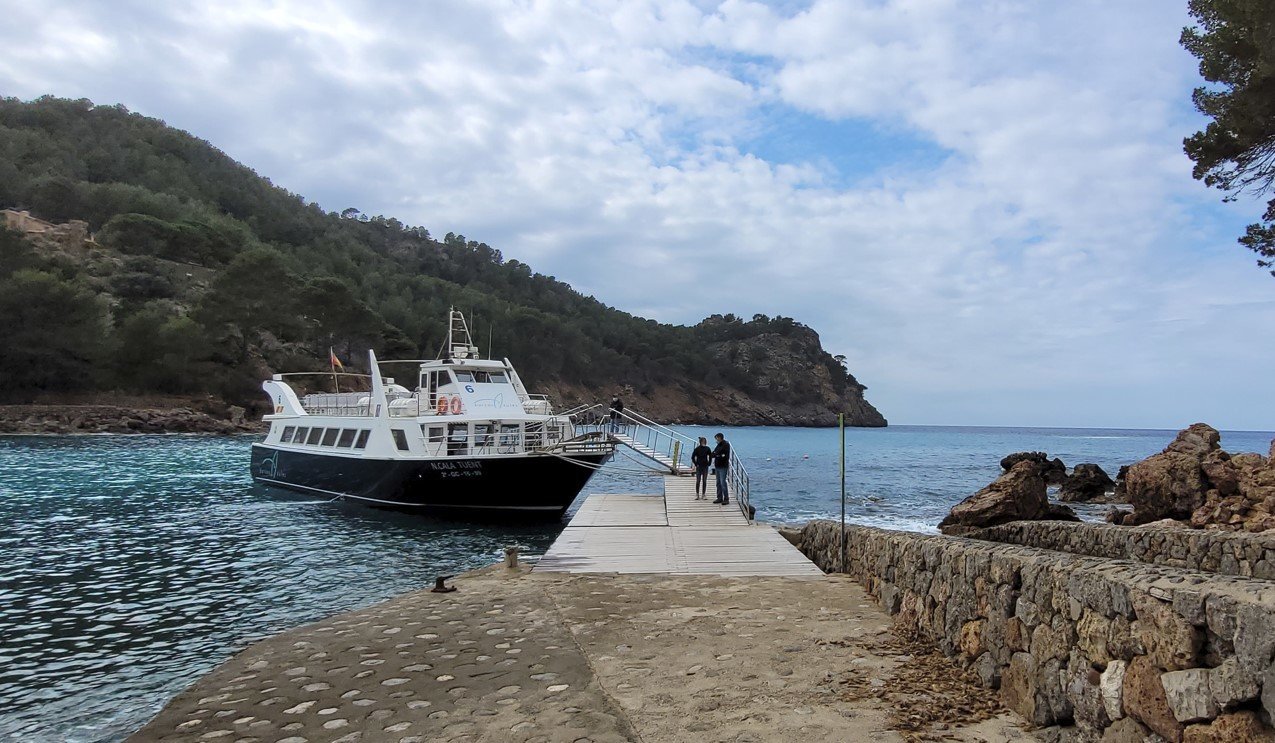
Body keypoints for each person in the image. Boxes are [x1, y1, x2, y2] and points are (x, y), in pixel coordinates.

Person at [711, 432, 731, 504]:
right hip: (717, 466)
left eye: (716, 438)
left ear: (719, 437)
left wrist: (716, 454)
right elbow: (715, 453)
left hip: (723, 466)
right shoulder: (718, 445)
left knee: (723, 482)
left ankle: (726, 498)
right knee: (718, 482)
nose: (716, 440)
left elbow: (722, 454)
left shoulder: (725, 444)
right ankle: (719, 497)